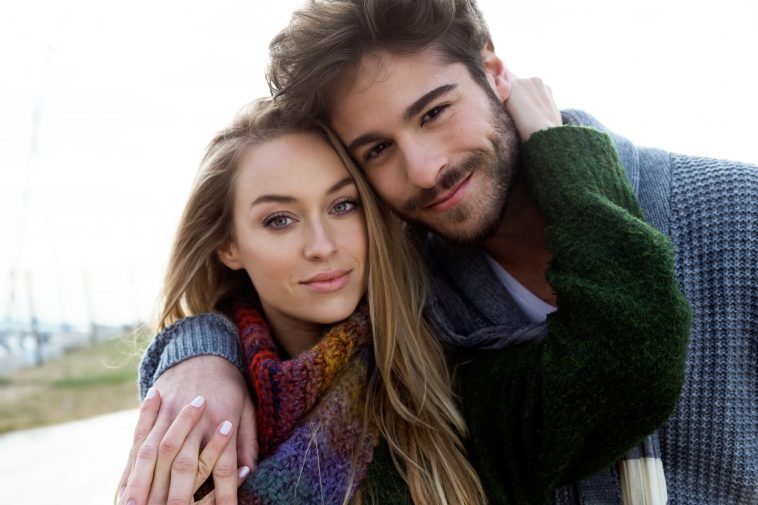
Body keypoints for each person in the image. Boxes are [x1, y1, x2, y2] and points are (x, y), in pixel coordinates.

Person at [125, 0, 757, 503]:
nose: (424, 170)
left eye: (434, 112)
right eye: (377, 150)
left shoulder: (740, 212)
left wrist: (563, 153)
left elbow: (623, 354)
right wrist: (200, 353)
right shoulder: (426, 317)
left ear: (495, 70)